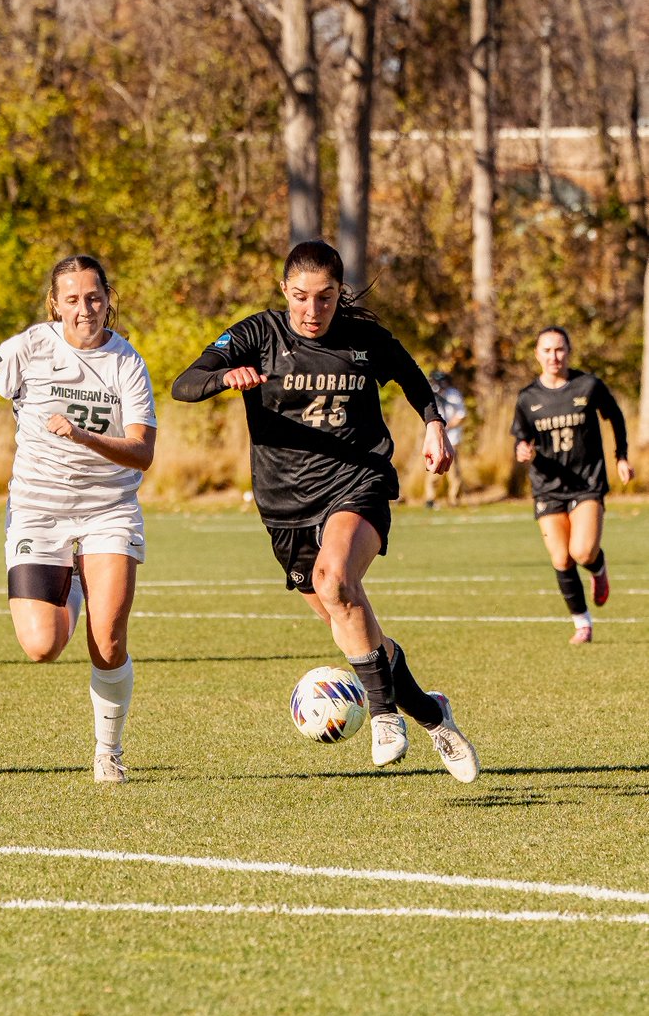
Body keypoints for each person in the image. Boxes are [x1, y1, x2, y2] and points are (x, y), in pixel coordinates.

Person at [172, 239, 480, 783]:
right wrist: (226, 377)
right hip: (284, 504)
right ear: (283, 291)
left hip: (356, 481)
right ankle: (433, 715)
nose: (312, 311)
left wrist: (434, 425)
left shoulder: (364, 338)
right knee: (352, 625)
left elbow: (413, 378)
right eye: (300, 297)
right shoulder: (256, 335)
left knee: (335, 580)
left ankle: (385, 716)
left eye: (325, 297)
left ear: (341, 293)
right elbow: (184, 384)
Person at [0, 255, 157, 784]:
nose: (84, 309)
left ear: (108, 297)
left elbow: (142, 452)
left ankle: (108, 750)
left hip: (108, 509)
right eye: (72, 299)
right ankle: (75, 586)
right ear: (54, 304)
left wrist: (84, 437)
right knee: (42, 647)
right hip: (38, 511)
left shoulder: (126, 362)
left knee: (107, 642)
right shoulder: (28, 347)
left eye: (93, 297)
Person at [512, 325, 633, 645]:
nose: (554, 356)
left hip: (587, 482)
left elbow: (615, 416)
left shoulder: (588, 385)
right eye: (547, 350)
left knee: (582, 551)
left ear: (569, 351)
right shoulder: (528, 398)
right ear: (537, 355)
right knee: (561, 559)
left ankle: (598, 565)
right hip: (547, 486)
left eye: (560, 349)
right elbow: (521, 439)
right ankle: (582, 623)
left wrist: (621, 456)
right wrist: (522, 451)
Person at [424, 370, 466, 508]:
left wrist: (445, 427)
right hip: (436, 439)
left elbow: (461, 416)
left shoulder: (453, 394)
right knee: (433, 468)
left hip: (452, 438)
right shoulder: (431, 396)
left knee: (453, 471)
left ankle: (454, 499)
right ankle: (430, 498)